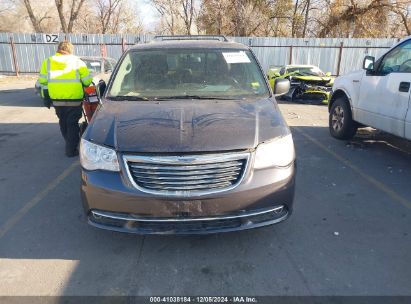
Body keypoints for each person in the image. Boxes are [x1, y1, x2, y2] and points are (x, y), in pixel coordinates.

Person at [38, 41, 92, 157]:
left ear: (58, 49)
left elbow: (43, 82)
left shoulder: (47, 62)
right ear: (70, 50)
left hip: (57, 100)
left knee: (63, 122)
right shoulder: (78, 62)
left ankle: (69, 143)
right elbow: (87, 82)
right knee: (72, 123)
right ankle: (71, 149)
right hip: (74, 99)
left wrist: (45, 97)